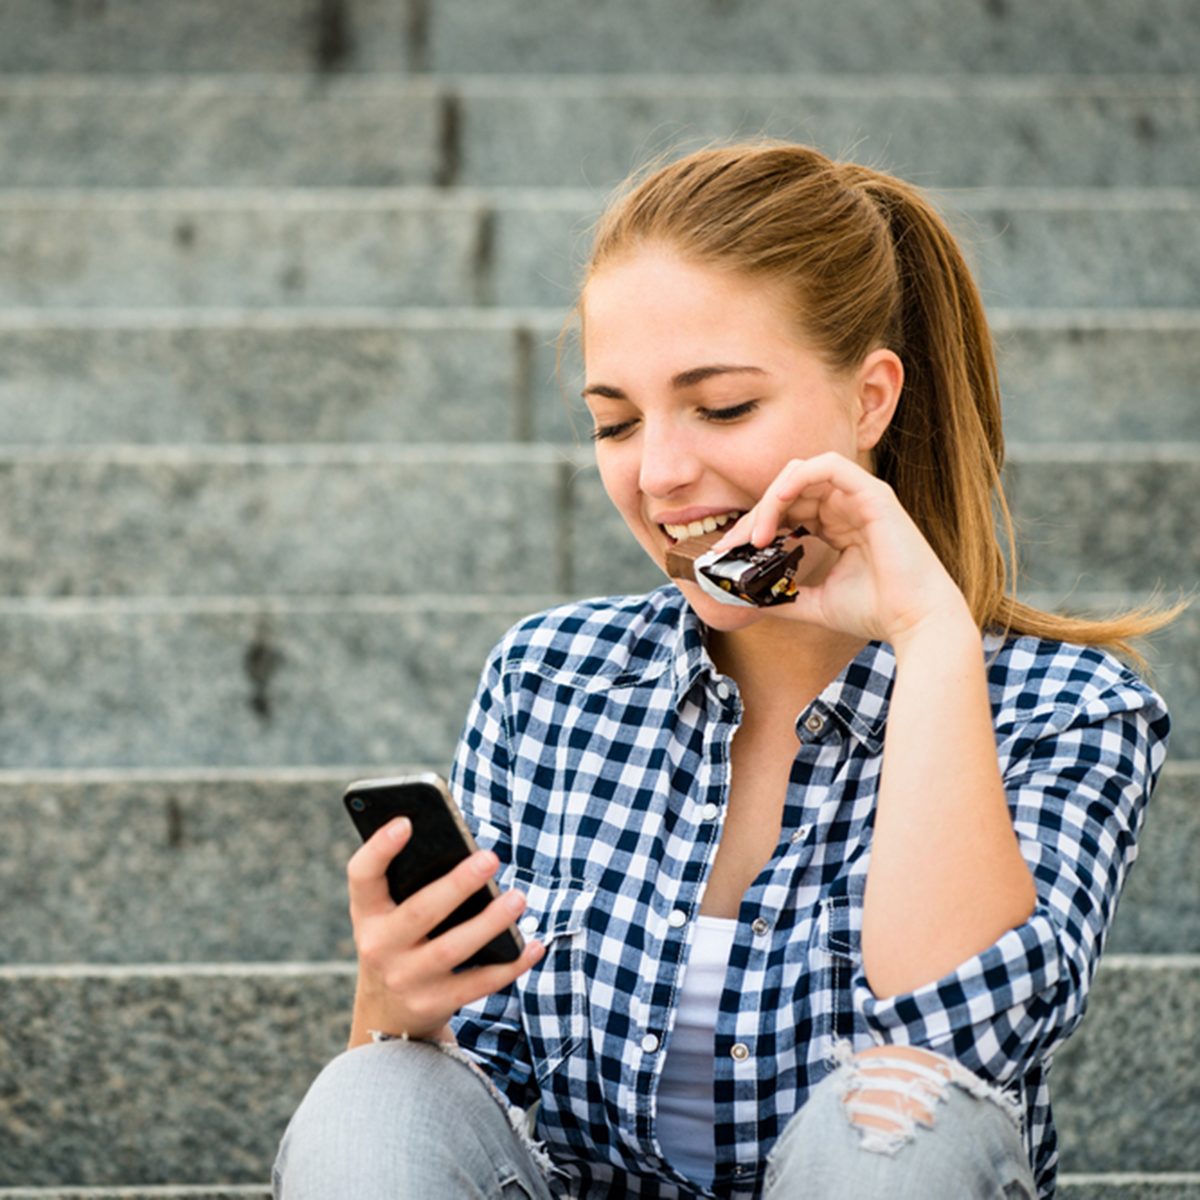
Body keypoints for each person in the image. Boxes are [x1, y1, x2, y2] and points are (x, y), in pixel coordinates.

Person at [273, 142, 1179, 1199]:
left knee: (895, 1117)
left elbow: (955, 1044)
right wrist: (392, 1001)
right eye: (615, 420)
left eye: (722, 407)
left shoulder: (1067, 711)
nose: (658, 474)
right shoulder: (549, 679)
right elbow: (457, 1095)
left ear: (871, 399)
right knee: (370, 1094)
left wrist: (932, 636)